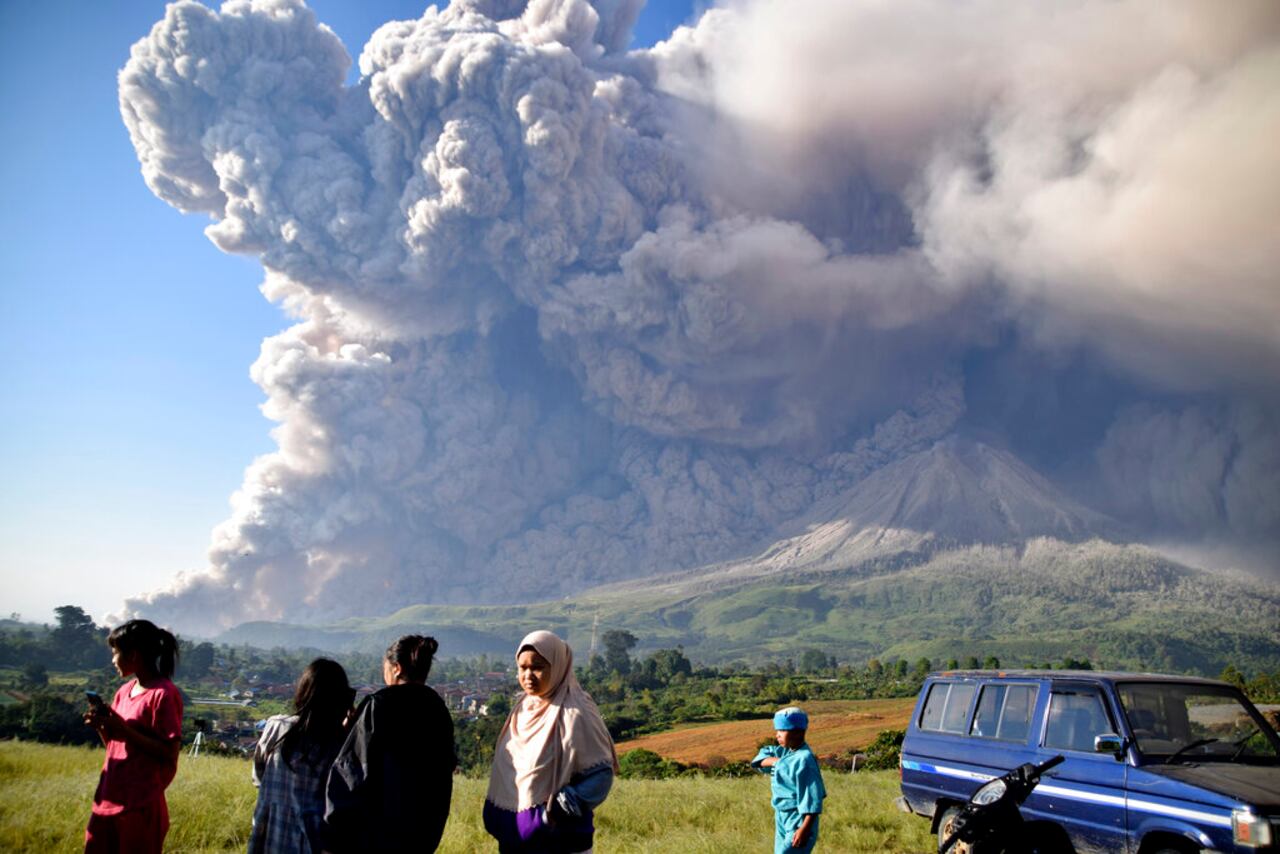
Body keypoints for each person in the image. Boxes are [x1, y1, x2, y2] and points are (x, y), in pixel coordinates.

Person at [483, 630, 618, 853]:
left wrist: (554, 811)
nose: (528, 675)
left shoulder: (576, 711)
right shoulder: (523, 708)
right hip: (514, 839)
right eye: (522, 667)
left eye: (537, 667)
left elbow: (601, 774)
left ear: (557, 667)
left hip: (561, 842)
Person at [324, 635, 454, 852]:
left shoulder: (379, 706)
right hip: (422, 836)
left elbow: (349, 776)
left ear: (397, 668)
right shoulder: (438, 710)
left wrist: (332, 837)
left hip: (372, 838)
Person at [83, 619, 183, 854]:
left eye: (115, 652)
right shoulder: (123, 692)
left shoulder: (164, 695)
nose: (113, 660)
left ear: (134, 655)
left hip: (140, 805)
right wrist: (102, 727)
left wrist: (124, 729)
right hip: (108, 798)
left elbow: (169, 753)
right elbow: (116, 747)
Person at [249, 658, 354, 853]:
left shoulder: (277, 726)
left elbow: (258, 777)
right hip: (313, 841)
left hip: (271, 835)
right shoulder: (340, 744)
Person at [751, 706, 827, 854]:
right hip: (781, 815)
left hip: (798, 818)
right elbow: (759, 759)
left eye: (782, 731)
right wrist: (779, 763)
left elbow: (813, 798)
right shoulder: (785, 752)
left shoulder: (804, 760)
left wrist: (804, 829)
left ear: (798, 732)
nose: (777, 735)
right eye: (777, 731)